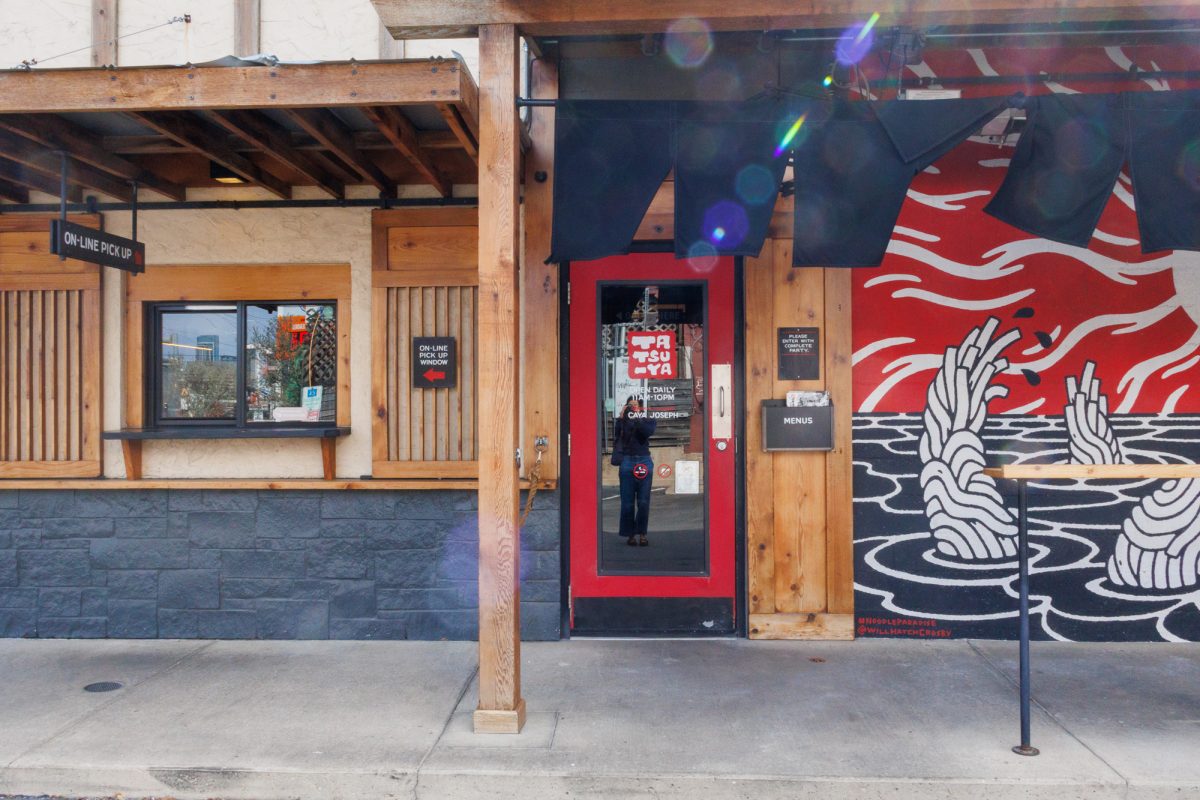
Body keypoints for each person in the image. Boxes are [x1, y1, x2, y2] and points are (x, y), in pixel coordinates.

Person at [614, 395, 657, 546]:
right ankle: (630, 534)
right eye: (630, 405)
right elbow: (616, 436)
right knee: (627, 502)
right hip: (627, 460)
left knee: (644, 501)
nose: (632, 408)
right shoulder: (623, 421)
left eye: (635, 405)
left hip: (644, 460)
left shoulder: (647, 420)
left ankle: (642, 533)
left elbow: (647, 432)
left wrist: (637, 417)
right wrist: (621, 417)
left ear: (640, 407)